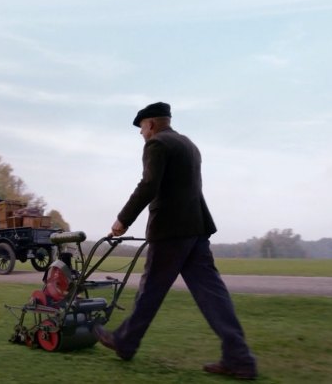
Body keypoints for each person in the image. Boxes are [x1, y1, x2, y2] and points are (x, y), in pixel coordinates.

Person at [93, 102, 258, 380]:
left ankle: (125, 341)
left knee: (150, 291)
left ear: (152, 124)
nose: (141, 133)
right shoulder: (188, 144)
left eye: (142, 127)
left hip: (170, 231)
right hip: (196, 230)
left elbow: (149, 185)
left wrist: (123, 220)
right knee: (213, 294)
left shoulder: (157, 144)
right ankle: (240, 358)